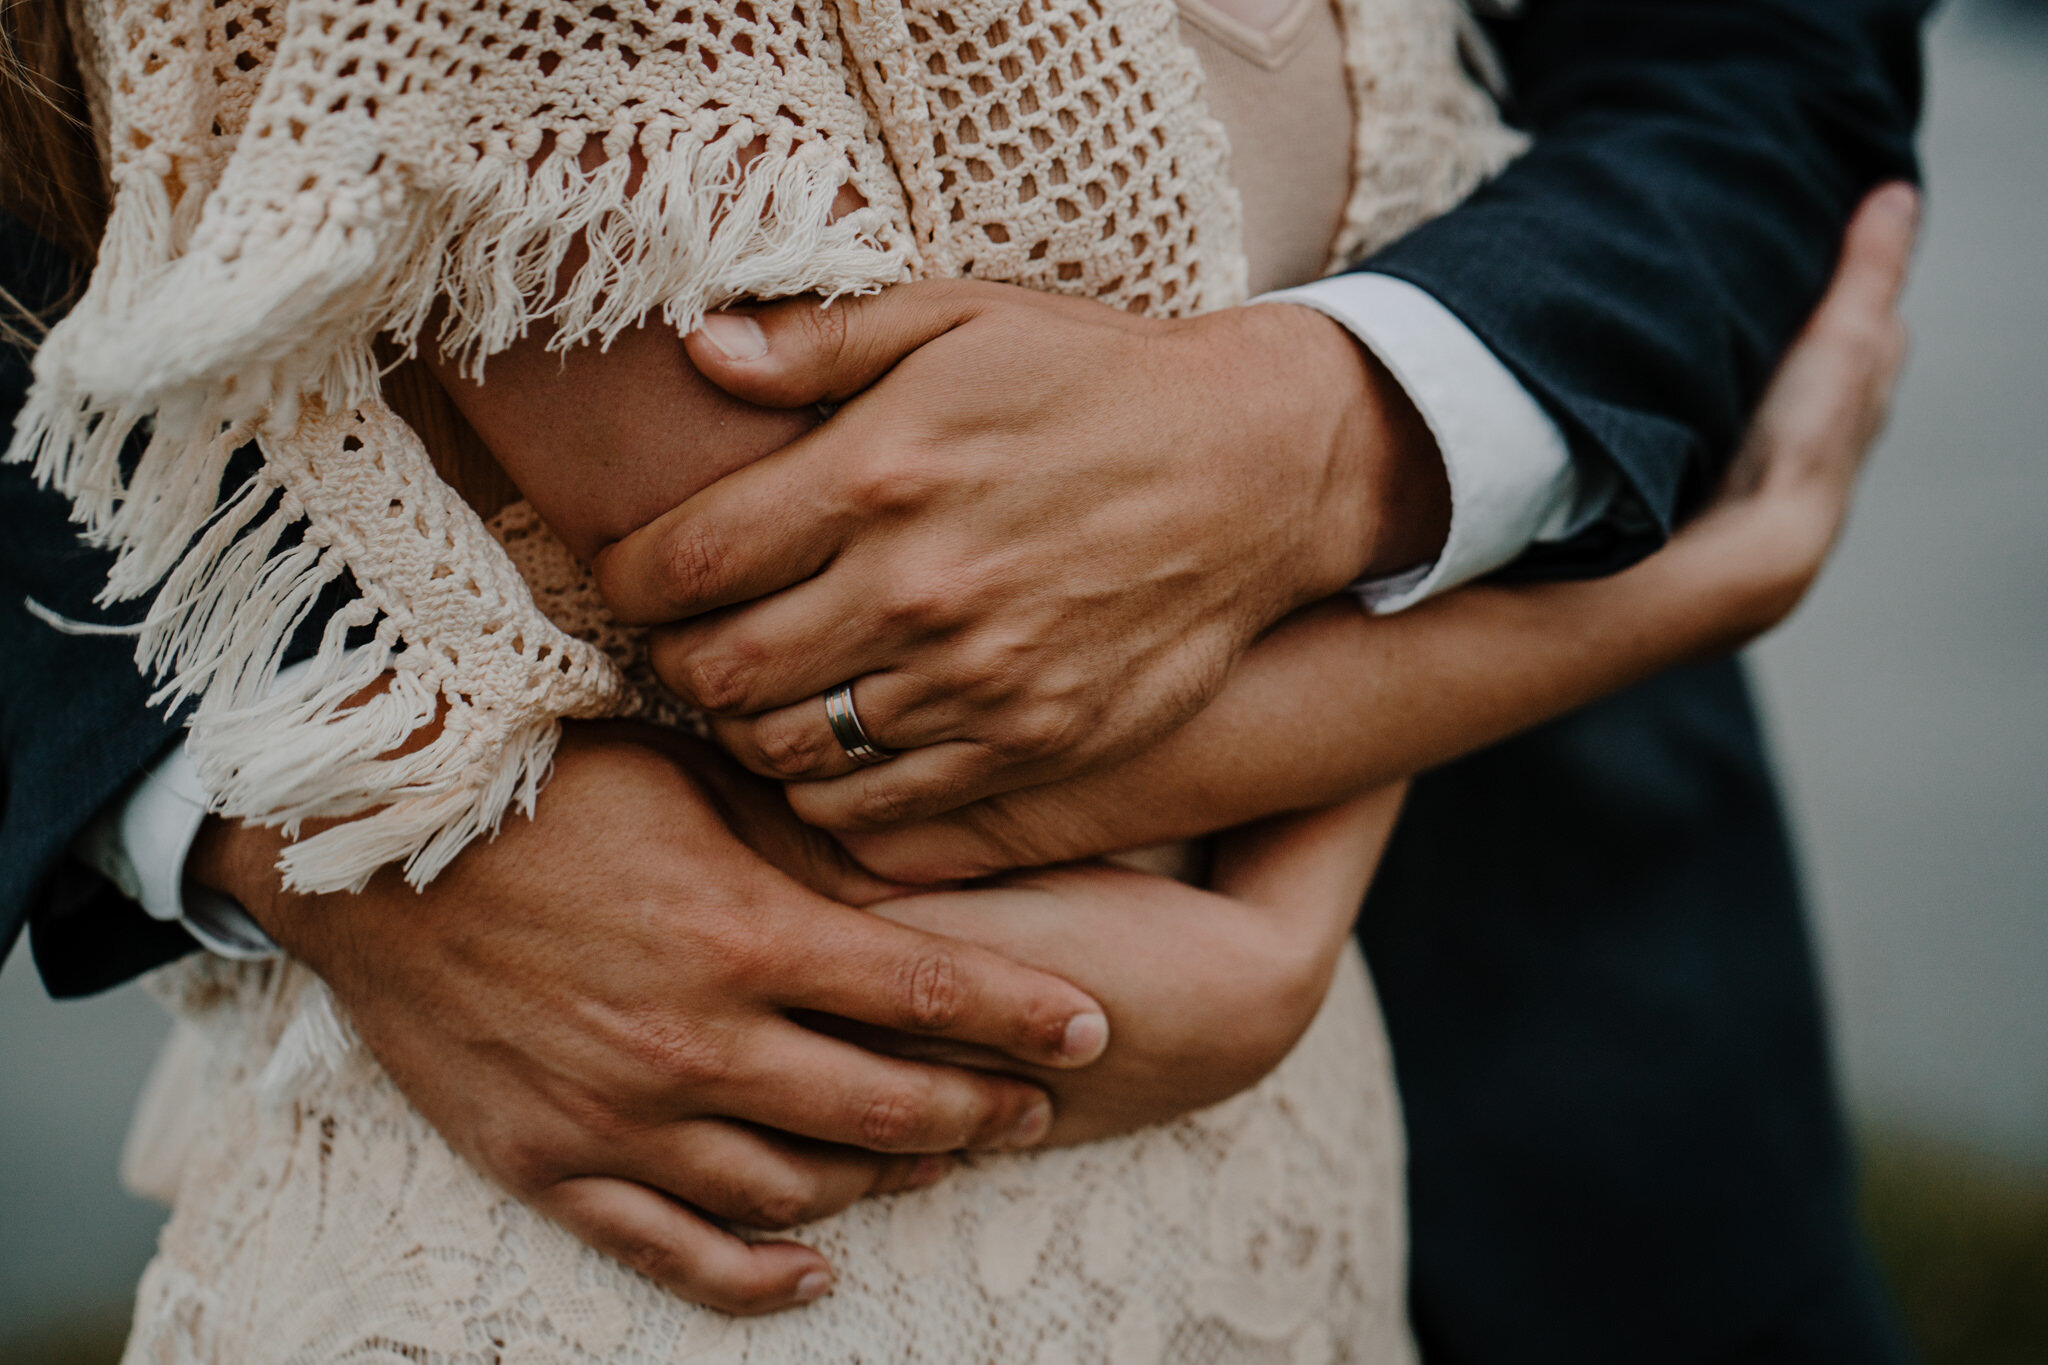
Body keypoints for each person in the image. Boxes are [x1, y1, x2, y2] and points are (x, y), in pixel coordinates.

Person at [0, 0, 1925, 1359]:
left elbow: (1749, 57)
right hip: (691, 1240)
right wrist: (312, 799)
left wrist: (1358, 439)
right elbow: (853, 705)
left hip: (1514, 1089)